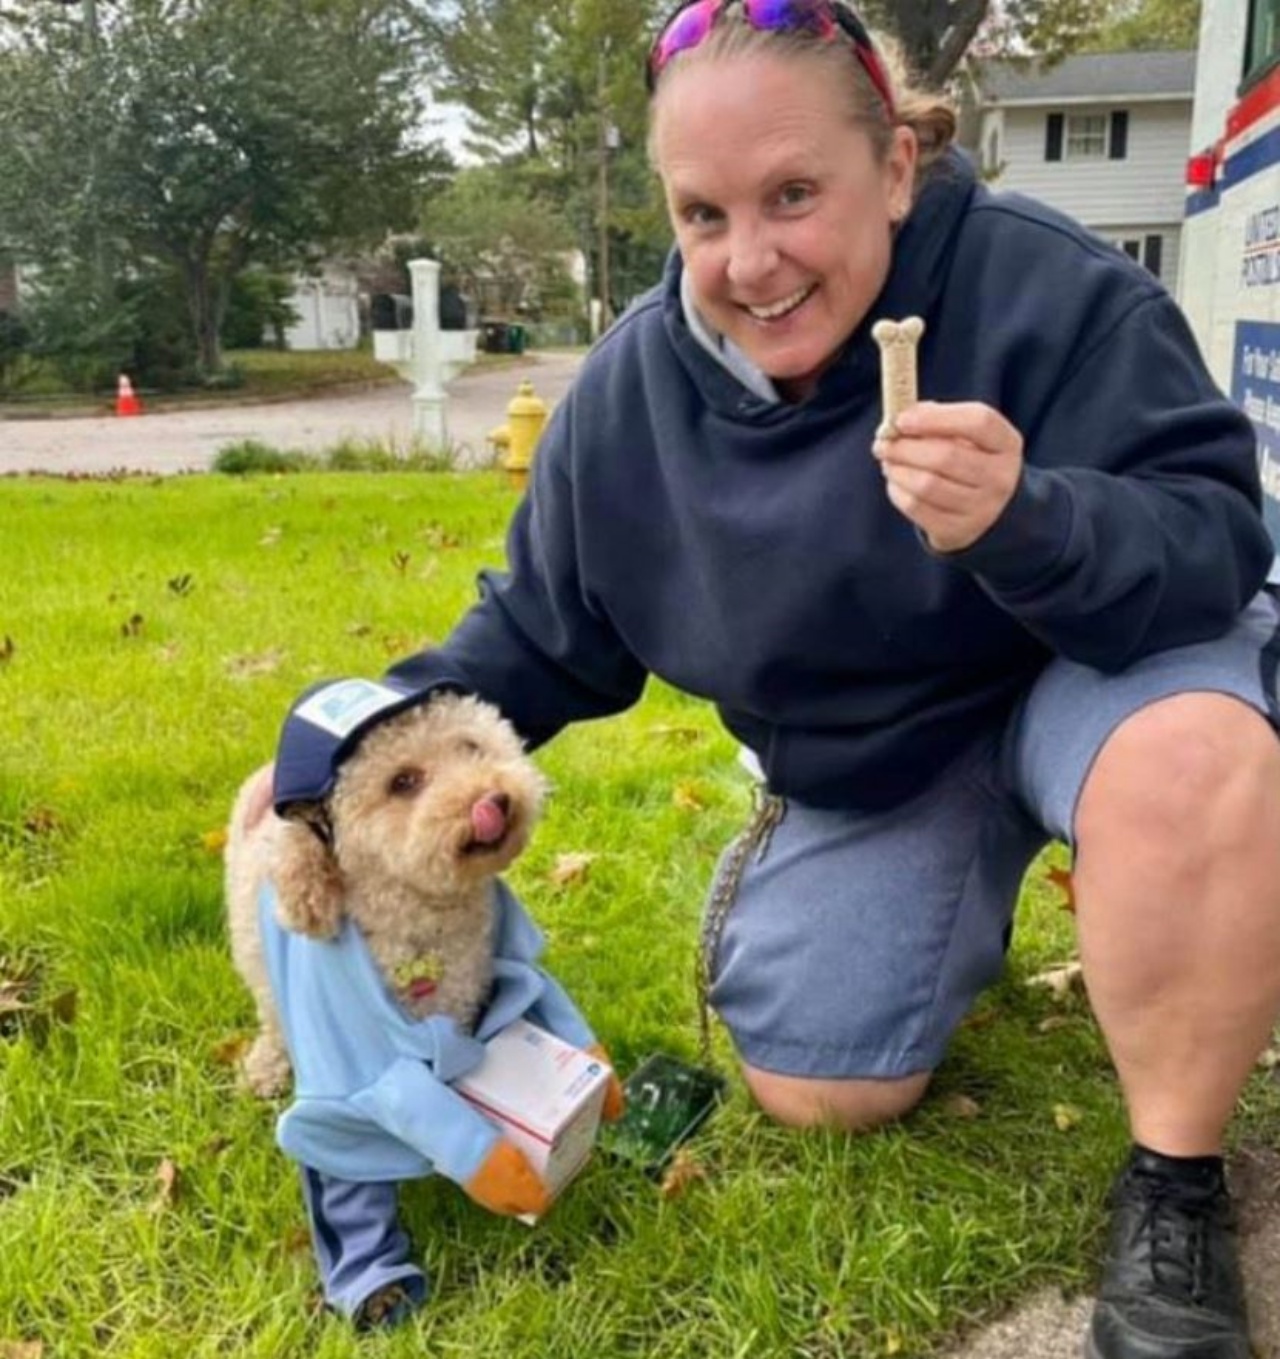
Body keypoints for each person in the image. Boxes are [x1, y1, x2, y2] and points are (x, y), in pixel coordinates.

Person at [254, 1, 1280, 1353]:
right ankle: (963, 907)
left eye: (795, 194)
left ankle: (1175, 1185)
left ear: (896, 168)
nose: (752, 261)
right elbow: (545, 634)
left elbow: (1217, 535)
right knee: (820, 1084)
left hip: (1098, 674)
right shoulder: (631, 401)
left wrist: (1034, 517)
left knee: (1193, 759)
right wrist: (350, 736)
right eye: (704, 214)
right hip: (892, 763)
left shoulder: (1055, 291)